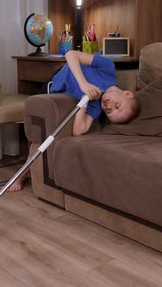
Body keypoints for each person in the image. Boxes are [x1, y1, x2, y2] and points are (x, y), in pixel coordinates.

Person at [8, 50, 139, 192]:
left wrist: (84, 102)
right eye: (117, 106)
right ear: (127, 93)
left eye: (109, 112)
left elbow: (79, 130)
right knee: (38, 132)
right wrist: (83, 84)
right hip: (55, 81)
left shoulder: (96, 105)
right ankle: (22, 173)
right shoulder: (107, 68)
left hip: (59, 94)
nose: (109, 106)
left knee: (44, 136)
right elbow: (71, 54)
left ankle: (21, 173)